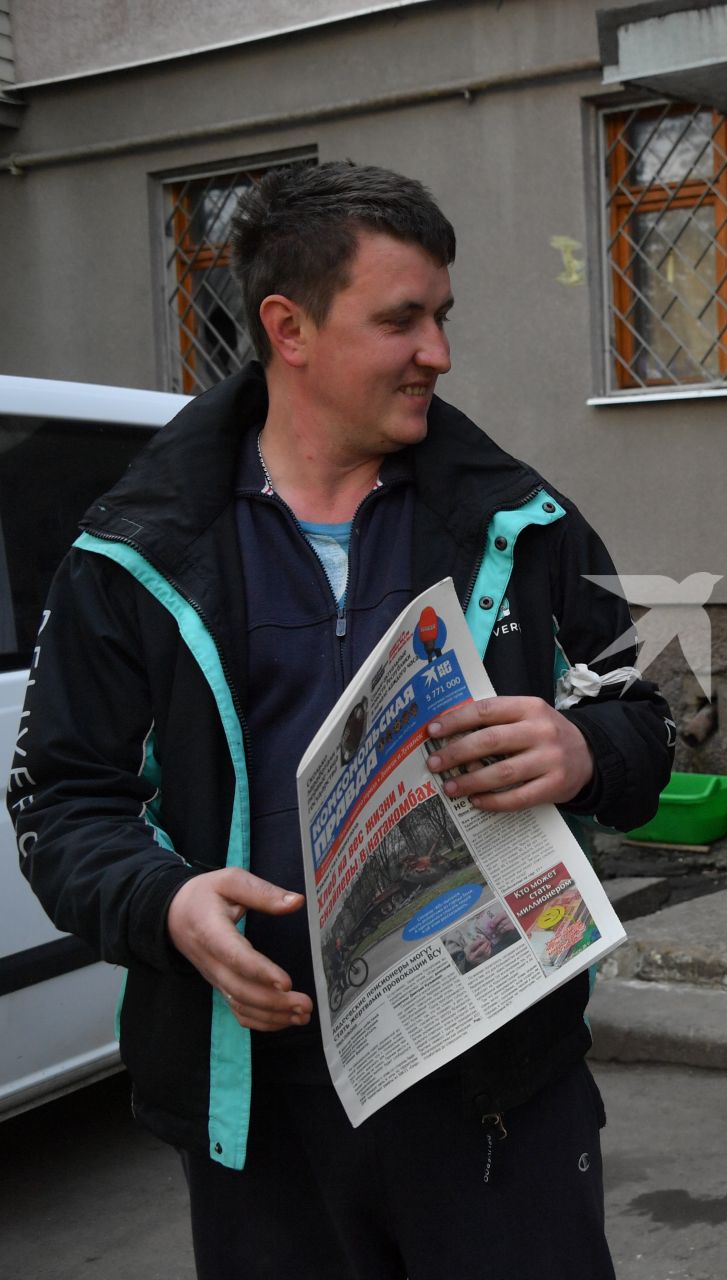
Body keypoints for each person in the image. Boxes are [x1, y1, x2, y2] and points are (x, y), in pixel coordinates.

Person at [9, 162, 676, 1279]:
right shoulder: (130, 552)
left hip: (496, 1089)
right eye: (402, 319)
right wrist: (165, 900)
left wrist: (582, 747)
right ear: (291, 327)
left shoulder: (516, 517)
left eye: (442, 317)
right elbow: (63, 800)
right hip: (259, 1106)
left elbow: (647, 716)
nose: (439, 353)